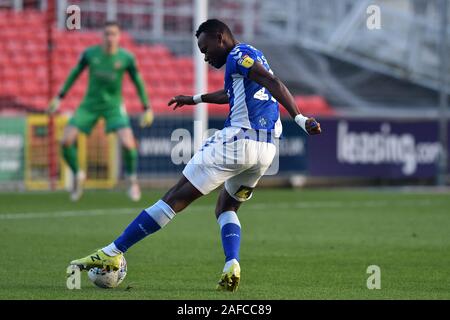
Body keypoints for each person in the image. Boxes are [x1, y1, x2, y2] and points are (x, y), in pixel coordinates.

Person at [70, 19, 321, 292]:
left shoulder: (238, 55)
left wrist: (300, 117)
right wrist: (195, 99)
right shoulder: (250, 55)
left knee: (174, 198)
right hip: (266, 150)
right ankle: (232, 263)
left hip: (239, 140)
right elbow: (232, 94)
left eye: (205, 48)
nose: (205, 56)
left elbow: (272, 81)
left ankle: (112, 250)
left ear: (220, 37)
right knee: (226, 207)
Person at [48, 21, 153, 201]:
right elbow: (75, 73)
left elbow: (137, 80)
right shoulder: (90, 54)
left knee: (128, 143)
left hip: (113, 106)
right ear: (102, 36)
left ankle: (131, 179)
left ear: (119, 37)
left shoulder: (126, 58)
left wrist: (146, 107)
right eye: (107, 34)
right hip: (89, 104)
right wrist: (59, 97)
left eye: (113, 34)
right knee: (65, 141)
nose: (110, 37)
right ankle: (78, 175)